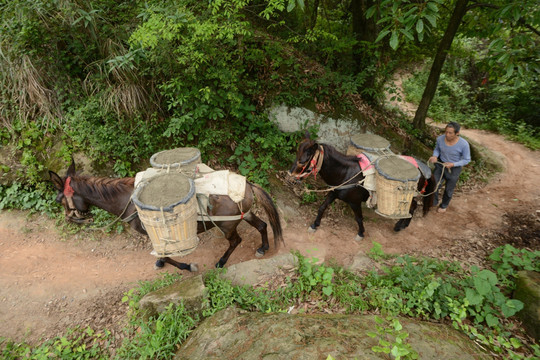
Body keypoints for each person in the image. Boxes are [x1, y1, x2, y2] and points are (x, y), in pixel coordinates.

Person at [428, 122, 471, 213]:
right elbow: (437, 149)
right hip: (441, 165)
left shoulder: (464, 144)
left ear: (457, 133)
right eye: (446, 132)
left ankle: (444, 205)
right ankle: (434, 202)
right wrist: (435, 156)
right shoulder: (440, 139)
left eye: (450, 133)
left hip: (454, 168)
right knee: (434, 183)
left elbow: (467, 160)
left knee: (449, 189)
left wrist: (453, 164)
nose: (447, 135)